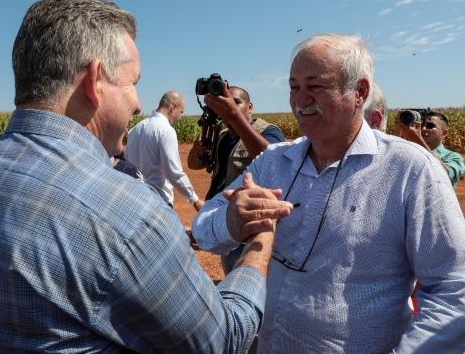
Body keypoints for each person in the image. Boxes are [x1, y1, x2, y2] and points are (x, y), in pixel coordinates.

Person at [0, 0, 289, 352]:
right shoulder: (130, 216)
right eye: (133, 82)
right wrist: (259, 243)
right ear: (94, 80)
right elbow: (219, 342)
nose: (138, 103)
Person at [192, 33, 465, 352]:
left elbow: (454, 291)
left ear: (359, 91)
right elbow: (204, 230)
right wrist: (231, 220)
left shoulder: (410, 171)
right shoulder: (274, 161)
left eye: (314, 86)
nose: (299, 100)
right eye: (294, 87)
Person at [187, 85, 284, 273]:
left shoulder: (267, 131)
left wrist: (235, 119)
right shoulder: (222, 136)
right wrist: (196, 151)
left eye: (236, 102)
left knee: (249, 276)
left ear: (250, 107)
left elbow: (274, 163)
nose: (230, 107)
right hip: (225, 219)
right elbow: (195, 165)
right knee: (231, 269)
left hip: (252, 223)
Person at [125, 90, 204, 210]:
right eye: (181, 112)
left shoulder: (136, 129)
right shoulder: (166, 131)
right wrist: (194, 199)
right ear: (173, 107)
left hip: (134, 200)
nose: (181, 116)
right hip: (158, 202)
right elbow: (173, 172)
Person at [395, 109, 464, 187]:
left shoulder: (453, 157)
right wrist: (398, 131)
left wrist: (418, 140)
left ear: (444, 133)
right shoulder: (408, 152)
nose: (423, 129)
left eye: (430, 126)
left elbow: (446, 175)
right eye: (421, 125)